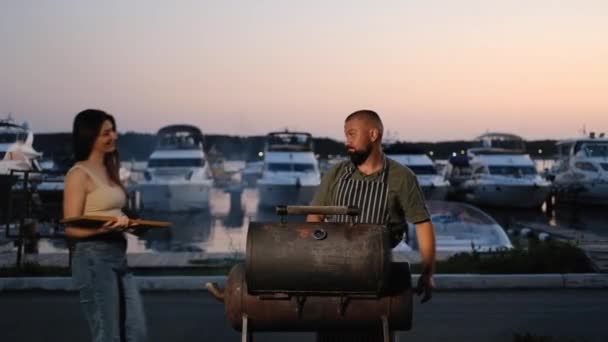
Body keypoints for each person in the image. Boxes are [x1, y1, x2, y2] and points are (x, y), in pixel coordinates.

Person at [307, 109, 436, 341]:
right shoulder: (336, 173)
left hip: (380, 278)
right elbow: (315, 218)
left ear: (374, 134)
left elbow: (423, 224)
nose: (347, 142)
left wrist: (428, 273)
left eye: (352, 134)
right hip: (335, 276)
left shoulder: (401, 177)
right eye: (346, 135)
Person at [63, 109, 147, 341]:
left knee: (136, 333)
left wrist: (134, 226)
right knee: (108, 335)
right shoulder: (78, 174)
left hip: (118, 256)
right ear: (90, 137)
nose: (114, 136)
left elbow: (115, 212)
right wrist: (103, 229)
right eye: (106, 133)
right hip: (93, 258)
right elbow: (70, 228)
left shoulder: (110, 171)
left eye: (114, 130)